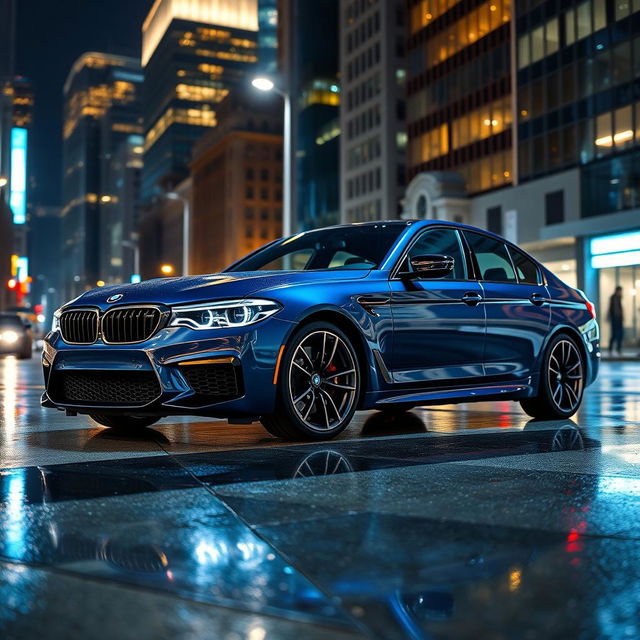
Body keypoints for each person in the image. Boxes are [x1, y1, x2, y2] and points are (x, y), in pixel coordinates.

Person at [607, 286, 624, 356]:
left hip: (618, 318)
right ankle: (611, 349)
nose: (621, 293)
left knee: (620, 334)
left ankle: (618, 349)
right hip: (615, 318)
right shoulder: (613, 298)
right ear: (617, 291)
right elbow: (614, 309)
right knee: (614, 334)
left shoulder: (619, 298)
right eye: (620, 291)